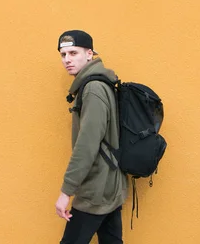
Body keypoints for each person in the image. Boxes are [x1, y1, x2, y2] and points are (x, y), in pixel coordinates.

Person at [55, 30, 128, 244]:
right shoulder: (97, 84)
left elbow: (86, 146)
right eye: (63, 55)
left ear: (89, 54)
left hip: (96, 188)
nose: (67, 60)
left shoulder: (93, 89)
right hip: (109, 186)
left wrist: (66, 191)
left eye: (73, 53)